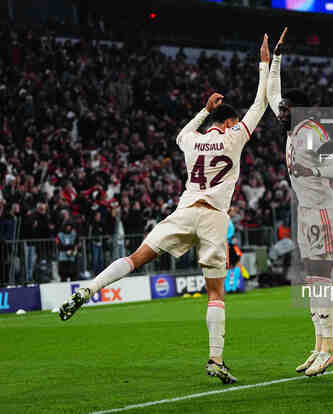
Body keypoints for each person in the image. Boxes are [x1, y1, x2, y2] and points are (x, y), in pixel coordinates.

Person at [58, 34, 271, 385]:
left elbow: (180, 134)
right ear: (231, 123)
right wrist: (265, 64)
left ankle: (87, 289)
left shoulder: (193, 140)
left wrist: (204, 110)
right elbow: (260, 104)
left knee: (136, 257)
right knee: (216, 293)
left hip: (185, 211)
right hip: (214, 218)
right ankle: (215, 359)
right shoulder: (235, 137)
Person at [267, 28, 333, 376]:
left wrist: (310, 163)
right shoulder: (293, 130)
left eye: (286, 108)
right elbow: (272, 93)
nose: (280, 111)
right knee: (312, 281)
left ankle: (329, 348)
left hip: (323, 209)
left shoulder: (312, 131)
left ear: (297, 110)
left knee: (321, 278)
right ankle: (319, 347)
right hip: (306, 209)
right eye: (282, 108)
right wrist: (276, 58)